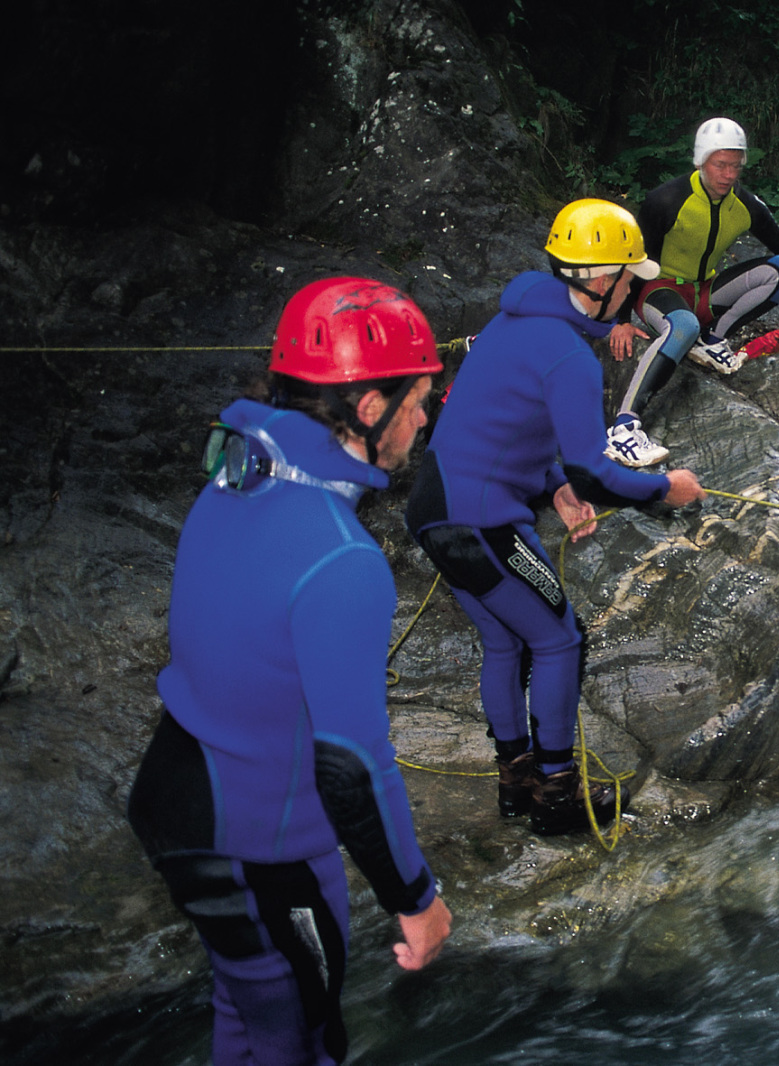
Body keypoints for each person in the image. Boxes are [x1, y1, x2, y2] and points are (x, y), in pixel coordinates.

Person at [127, 277, 453, 1066]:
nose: (425, 415)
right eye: (417, 398)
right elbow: (350, 763)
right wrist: (416, 899)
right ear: (367, 409)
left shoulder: (238, 475)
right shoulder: (342, 559)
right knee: (302, 1042)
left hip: (185, 790)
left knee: (248, 1015)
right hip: (250, 840)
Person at [405, 198, 706, 835]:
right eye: (629, 279)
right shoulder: (568, 354)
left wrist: (556, 490)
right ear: (598, 281)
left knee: (506, 641)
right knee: (560, 639)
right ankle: (557, 795)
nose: (633, 289)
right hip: (483, 520)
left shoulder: (513, 326)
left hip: (437, 510)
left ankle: (517, 785)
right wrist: (664, 488)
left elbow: (506, 427)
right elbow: (597, 468)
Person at [602, 115, 779, 467]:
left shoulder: (746, 205)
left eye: (735, 166)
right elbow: (634, 259)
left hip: (705, 291)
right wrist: (619, 320)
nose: (728, 174)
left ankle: (712, 340)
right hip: (657, 291)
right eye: (720, 165)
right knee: (683, 326)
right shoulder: (665, 200)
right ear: (700, 161)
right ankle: (624, 429)